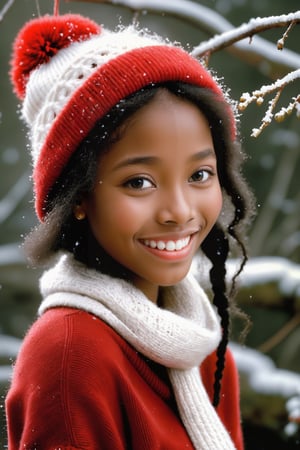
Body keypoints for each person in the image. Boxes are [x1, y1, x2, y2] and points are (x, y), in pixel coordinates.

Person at [5, 3, 255, 449]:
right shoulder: (70, 354)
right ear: (78, 197)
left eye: (200, 174)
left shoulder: (203, 351)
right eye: (139, 182)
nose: (179, 211)